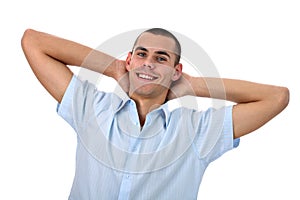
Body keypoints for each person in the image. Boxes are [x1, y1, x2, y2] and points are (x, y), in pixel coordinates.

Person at [21, 28, 289, 200]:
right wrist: (114, 68)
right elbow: (32, 41)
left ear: (176, 71)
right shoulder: (91, 108)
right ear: (129, 61)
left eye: (161, 58)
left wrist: (193, 86)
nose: (149, 62)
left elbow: (276, 97)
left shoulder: (196, 131)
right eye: (141, 54)